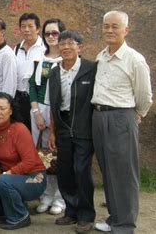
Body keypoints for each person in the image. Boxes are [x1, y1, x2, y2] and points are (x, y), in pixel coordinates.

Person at [91, 11, 152, 234]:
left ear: (126, 30)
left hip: (121, 117)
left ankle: (124, 225)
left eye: (115, 26)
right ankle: (114, 218)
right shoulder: (101, 56)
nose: (109, 30)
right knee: (108, 169)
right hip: (98, 116)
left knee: (124, 172)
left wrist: (138, 113)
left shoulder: (134, 59)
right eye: (106, 26)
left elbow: (144, 94)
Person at [48, 31, 97, 233]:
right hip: (62, 126)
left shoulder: (90, 69)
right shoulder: (54, 72)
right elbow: (53, 104)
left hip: (84, 126)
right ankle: (71, 211)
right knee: (65, 170)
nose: (66, 47)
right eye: (62, 43)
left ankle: (86, 215)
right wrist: (52, 132)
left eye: (71, 43)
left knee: (81, 170)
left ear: (80, 47)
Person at [0, 92, 46, 230]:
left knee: (2, 181)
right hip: (8, 179)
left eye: (2, 108)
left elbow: (30, 161)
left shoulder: (20, 129)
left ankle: (20, 217)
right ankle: (18, 205)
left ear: (11, 110)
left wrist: (5, 175)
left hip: (34, 177)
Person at [29, 18, 66, 215]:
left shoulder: (67, 60)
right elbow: (32, 87)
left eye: (55, 33)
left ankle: (60, 198)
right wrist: (36, 113)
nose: (51, 37)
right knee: (43, 155)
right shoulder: (39, 58)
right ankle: (46, 195)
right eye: (47, 33)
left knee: (59, 154)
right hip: (38, 111)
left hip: (60, 112)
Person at [14, 12, 46, 132]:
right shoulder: (17, 48)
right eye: (23, 26)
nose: (26, 30)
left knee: (37, 133)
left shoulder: (44, 48)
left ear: (38, 29)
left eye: (30, 26)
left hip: (36, 99)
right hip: (18, 99)